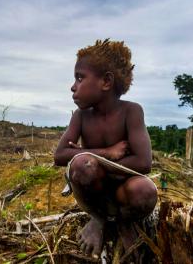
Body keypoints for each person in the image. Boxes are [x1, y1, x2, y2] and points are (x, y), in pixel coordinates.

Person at [54, 39, 157, 258]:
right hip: (95, 194)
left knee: (145, 190)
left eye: (80, 78)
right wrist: (106, 153)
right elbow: (60, 156)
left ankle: (124, 222)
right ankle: (98, 219)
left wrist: (86, 154)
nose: (73, 86)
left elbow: (143, 163)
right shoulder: (81, 117)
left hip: (124, 192)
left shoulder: (132, 112)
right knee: (83, 166)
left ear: (106, 82)